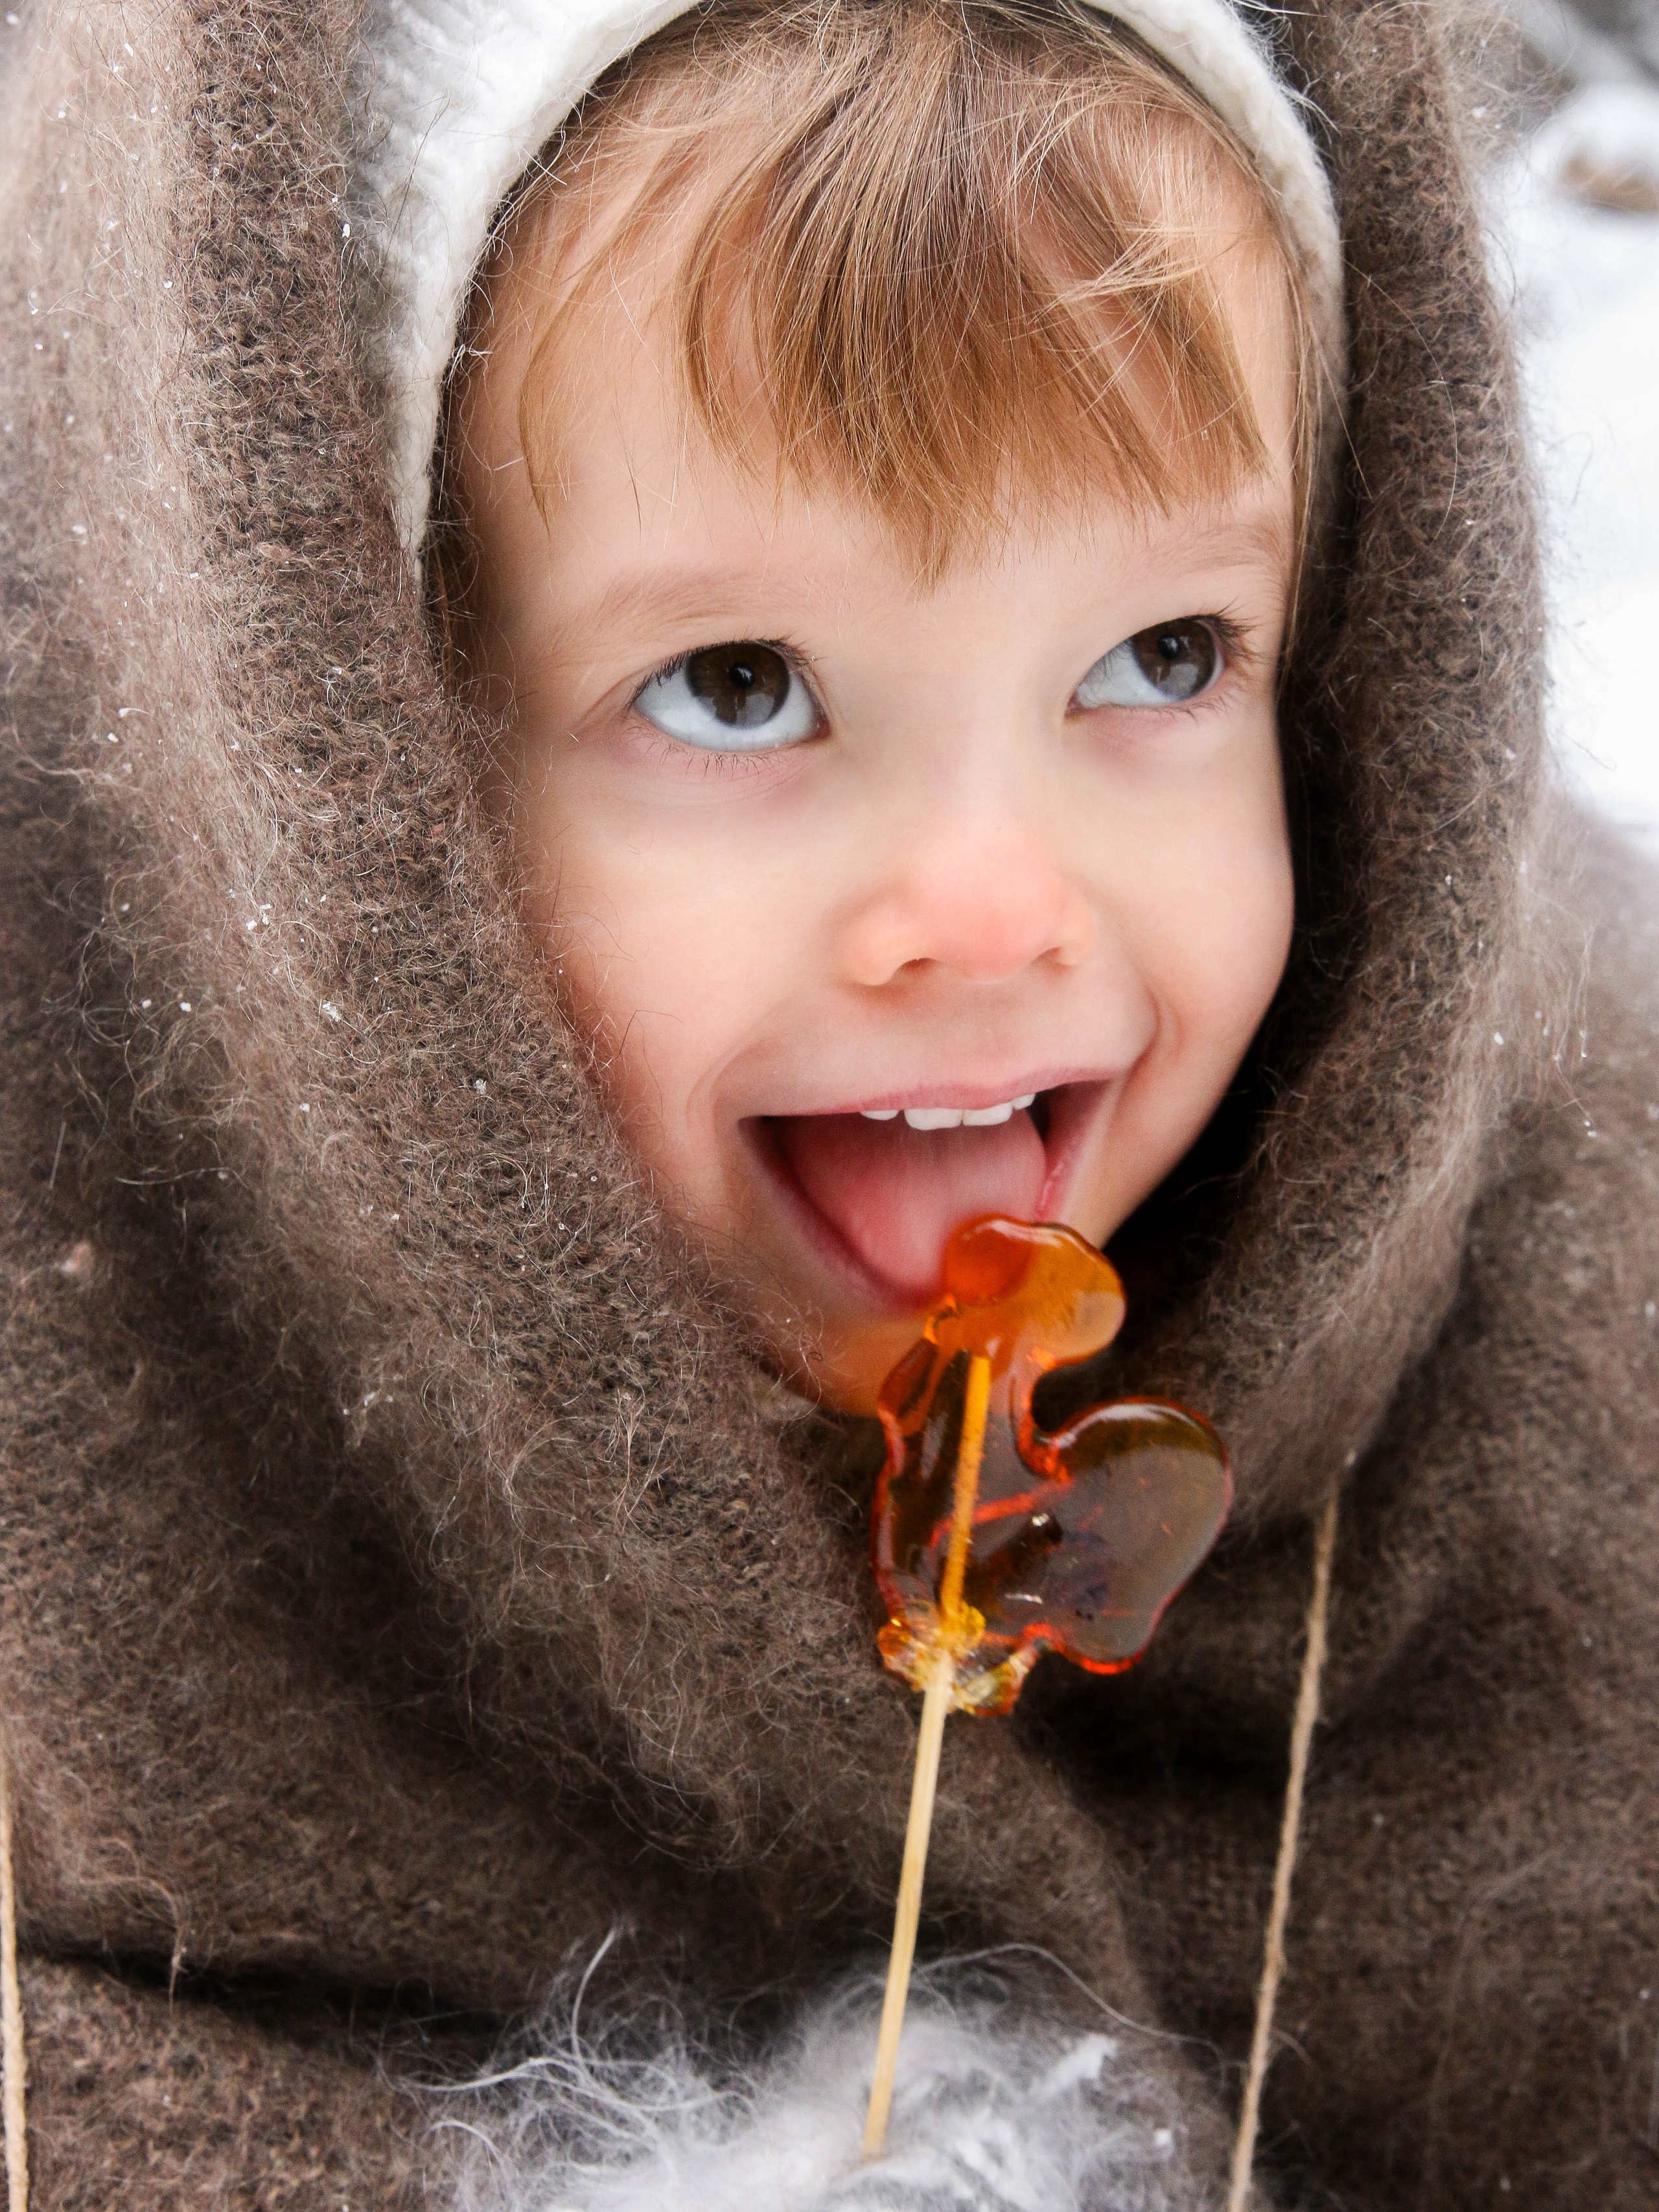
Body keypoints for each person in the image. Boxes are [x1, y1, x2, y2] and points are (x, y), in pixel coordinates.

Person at [0, 0, 1653, 2206]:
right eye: (739, 687)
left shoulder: (1575, 1303)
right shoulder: (84, 1426)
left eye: (1162, 656)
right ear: (338, 778)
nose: (994, 907)